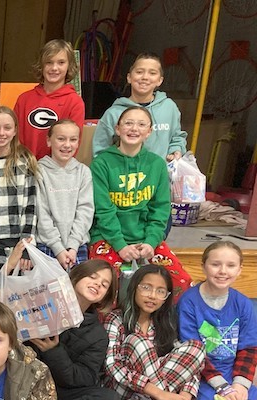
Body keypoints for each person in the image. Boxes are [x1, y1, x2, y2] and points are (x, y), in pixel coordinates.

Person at [88, 106, 191, 299]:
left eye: (141, 124)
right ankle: (113, 327)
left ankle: (157, 327)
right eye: (128, 123)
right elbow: (103, 211)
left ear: (149, 132)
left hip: (146, 238)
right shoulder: (101, 164)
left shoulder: (156, 164)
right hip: (109, 238)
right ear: (118, 129)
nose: (134, 128)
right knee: (106, 287)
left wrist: (151, 242)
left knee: (181, 281)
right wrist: (120, 245)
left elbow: (160, 209)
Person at [29, 260, 120, 400]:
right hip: (27, 383)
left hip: (61, 392)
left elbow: (83, 378)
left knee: (110, 399)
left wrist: (54, 351)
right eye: (93, 277)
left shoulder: (97, 334)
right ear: (76, 276)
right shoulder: (44, 304)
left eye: (104, 284)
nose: (97, 284)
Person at [102, 264, 205, 400]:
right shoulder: (116, 319)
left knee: (196, 348)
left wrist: (185, 396)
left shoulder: (165, 323)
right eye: (146, 288)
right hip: (121, 388)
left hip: (153, 388)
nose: (152, 296)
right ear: (134, 288)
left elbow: (190, 365)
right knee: (138, 341)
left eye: (160, 291)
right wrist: (160, 394)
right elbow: (112, 366)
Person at [177, 241, 257, 400]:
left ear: (239, 269)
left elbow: (249, 348)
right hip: (202, 375)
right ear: (203, 266)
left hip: (233, 373)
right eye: (215, 264)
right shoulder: (188, 302)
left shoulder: (243, 304)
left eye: (230, 265)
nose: (223, 271)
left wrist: (240, 385)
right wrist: (222, 387)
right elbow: (192, 353)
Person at [0, 106, 38, 270]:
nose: (1, 133)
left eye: (7, 128)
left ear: (15, 130)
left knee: (17, 293)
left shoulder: (25, 163)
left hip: (18, 244)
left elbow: (30, 208)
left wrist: (26, 247)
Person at [92, 53, 187, 161]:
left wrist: (176, 150)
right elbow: (100, 150)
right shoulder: (114, 113)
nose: (145, 77)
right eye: (139, 72)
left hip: (160, 175)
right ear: (129, 77)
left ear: (160, 80)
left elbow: (177, 136)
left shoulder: (169, 107)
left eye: (152, 73)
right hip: (125, 175)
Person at [35, 119, 94, 269]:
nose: (67, 145)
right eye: (61, 139)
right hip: (47, 245)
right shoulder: (38, 171)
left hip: (77, 246)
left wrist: (73, 246)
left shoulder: (83, 172)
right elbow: (41, 214)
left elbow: (85, 211)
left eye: (73, 139)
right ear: (49, 141)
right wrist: (59, 249)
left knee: (77, 289)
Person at [14, 39, 85, 159]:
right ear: (41, 65)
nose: (54, 68)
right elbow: (14, 137)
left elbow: (73, 142)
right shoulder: (24, 99)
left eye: (61, 62)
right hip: (23, 166)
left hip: (56, 169)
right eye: (49, 62)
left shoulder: (75, 102)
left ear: (69, 66)